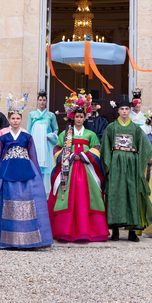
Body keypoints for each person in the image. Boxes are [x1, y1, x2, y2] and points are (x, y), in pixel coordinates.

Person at [0, 93, 53, 249]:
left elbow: (33, 156)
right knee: (6, 202)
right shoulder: (3, 137)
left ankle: (29, 239)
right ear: (9, 119)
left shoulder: (27, 137)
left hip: (26, 170)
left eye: (18, 118)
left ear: (21, 119)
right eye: (13, 118)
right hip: (6, 169)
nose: (15, 121)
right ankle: (5, 239)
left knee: (27, 201)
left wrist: (38, 175)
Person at [48, 91, 108, 243]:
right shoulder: (65, 134)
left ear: (85, 117)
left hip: (87, 169)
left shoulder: (90, 134)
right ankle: (65, 231)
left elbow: (96, 148)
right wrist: (70, 156)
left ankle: (88, 231)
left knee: (87, 197)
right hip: (69, 169)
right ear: (72, 117)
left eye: (81, 117)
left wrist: (82, 156)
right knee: (67, 197)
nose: (79, 119)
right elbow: (57, 149)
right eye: (77, 117)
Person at [100, 94, 152, 241]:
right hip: (116, 164)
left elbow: (145, 145)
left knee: (132, 194)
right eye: (122, 109)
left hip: (132, 164)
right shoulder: (111, 127)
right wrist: (108, 169)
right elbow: (106, 148)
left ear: (129, 110)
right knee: (115, 195)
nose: (124, 111)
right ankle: (115, 231)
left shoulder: (136, 129)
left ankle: (132, 231)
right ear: (118, 111)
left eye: (127, 109)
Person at [26, 90, 58, 196]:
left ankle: (46, 193)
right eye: (40, 100)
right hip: (35, 143)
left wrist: (51, 136)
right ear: (37, 101)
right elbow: (28, 130)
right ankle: (34, 191)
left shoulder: (51, 115)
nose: (42, 102)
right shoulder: (32, 115)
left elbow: (56, 129)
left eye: (44, 100)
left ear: (47, 101)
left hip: (46, 145)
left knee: (46, 168)